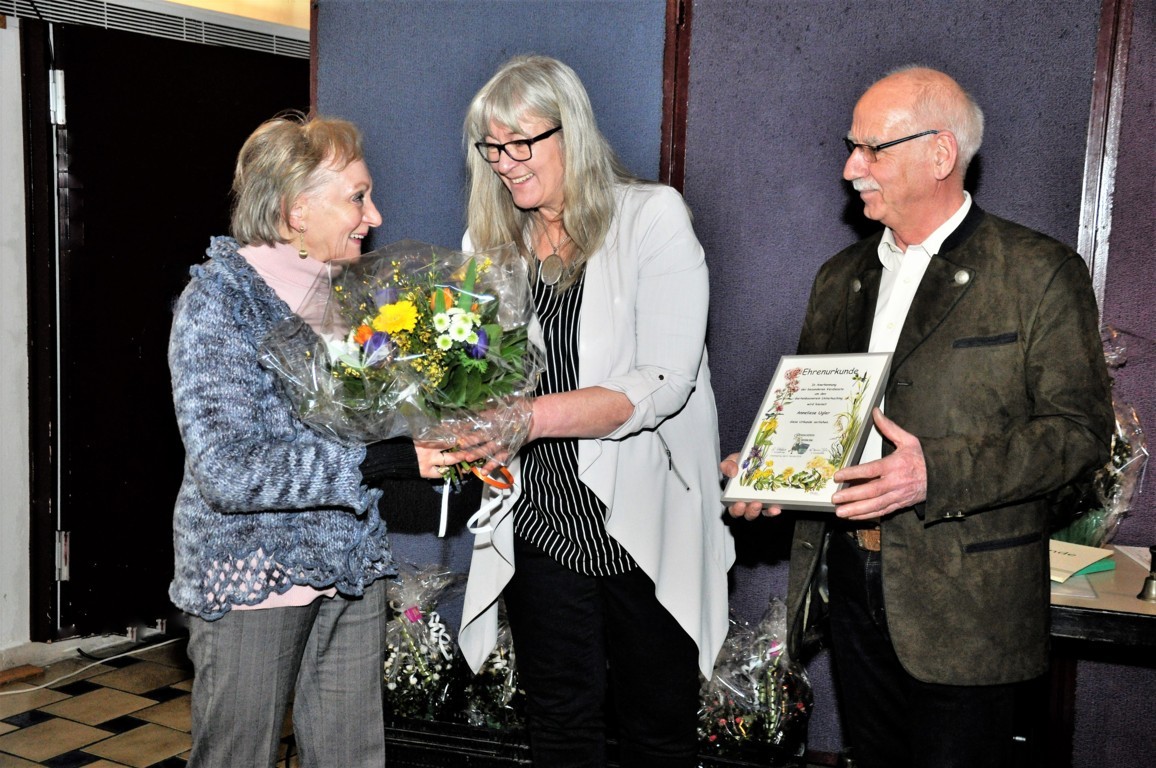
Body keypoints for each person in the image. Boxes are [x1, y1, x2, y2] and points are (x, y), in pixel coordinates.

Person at [722, 66, 1114, 768]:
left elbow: (1079, 436)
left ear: (940, 154)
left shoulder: (1037, 273)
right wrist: (772, 471)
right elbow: (823, 419)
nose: (850, 169)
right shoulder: (839, 278)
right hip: (851, 584)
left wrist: (938, 471)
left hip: (969, 605)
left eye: (872, 149)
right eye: (852, 147)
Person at [451, 55, 735, 768]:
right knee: (559, 725)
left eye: (523, 142)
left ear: (571, 131)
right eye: (493, 147)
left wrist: (528, 418)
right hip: (542, 520)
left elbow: (663, 380)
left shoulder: (651, 216)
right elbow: (477, 375)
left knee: (656, 729)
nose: (505, 163)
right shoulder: (490, 244)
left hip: (642, 521)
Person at [168, 113, 448, 767]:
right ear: (297, 211)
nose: (373, 216)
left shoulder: (350, 300)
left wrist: (441, 419)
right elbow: (228, 469)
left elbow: (368, 424)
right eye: (357, 197)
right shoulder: (219, 305)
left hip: (351, 567)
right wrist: (381, 460)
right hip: (252, 578)